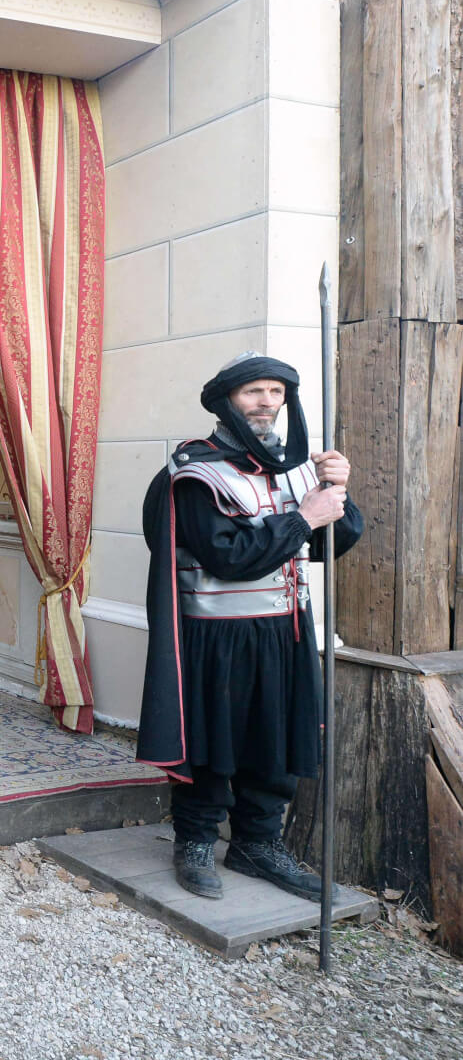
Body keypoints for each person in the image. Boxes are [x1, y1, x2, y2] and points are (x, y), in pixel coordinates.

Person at [138, 352, 362, 902]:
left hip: (284, 631)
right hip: (218, 635)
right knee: (214, 743)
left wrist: (337, 492)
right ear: (227, 401)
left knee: (274, 740)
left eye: (276, 392)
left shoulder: (296, 469)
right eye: (253, 392)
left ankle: (257, 844)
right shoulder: (196, 474)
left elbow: (330, 545)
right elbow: (229, 557)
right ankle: (195, 840)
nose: (266, 402)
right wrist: (304, 516)